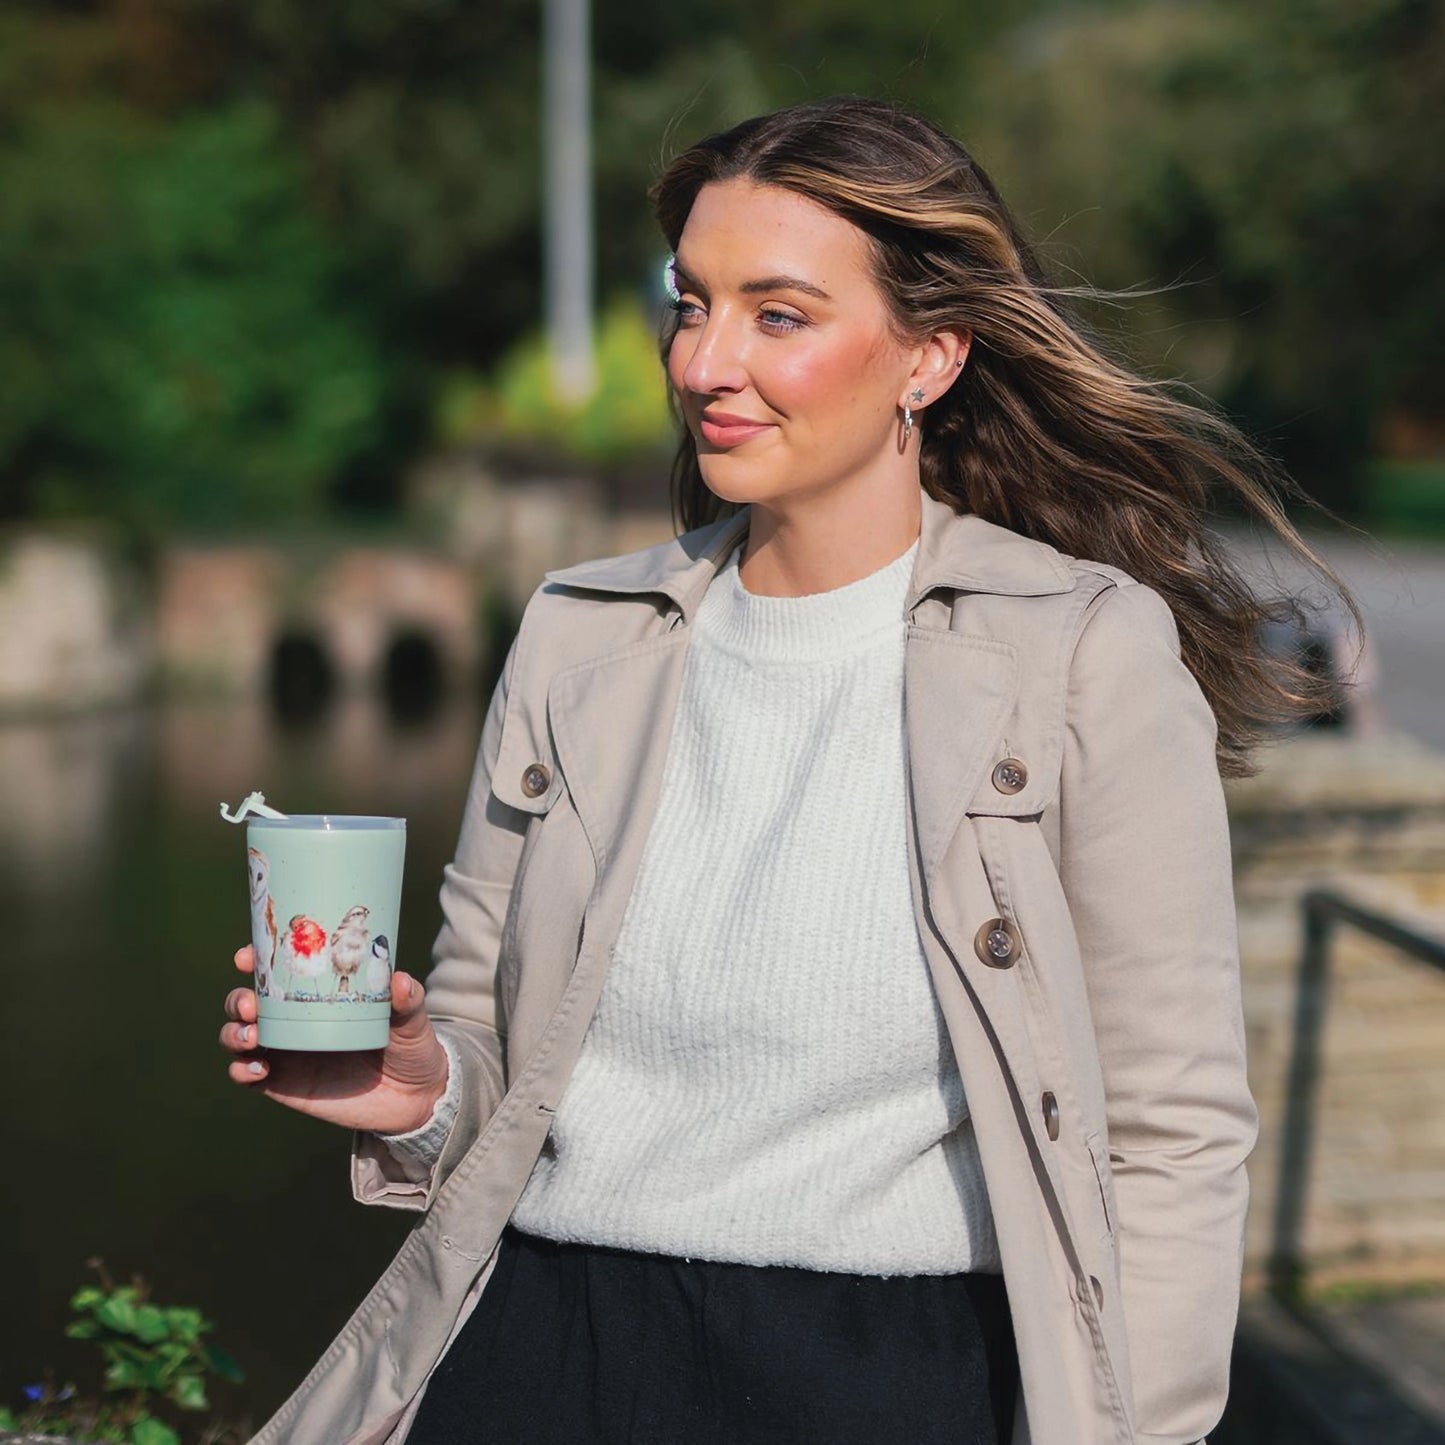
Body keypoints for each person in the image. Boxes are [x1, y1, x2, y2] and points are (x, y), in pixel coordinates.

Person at [222, 96, 1363, 1445]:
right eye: (690, 304)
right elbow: (485, 1057)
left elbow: (1171, 1134)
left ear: (929, 356)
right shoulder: (579, 637)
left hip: (896, 1378)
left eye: (778, 315)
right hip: (540, 1351)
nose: (705, 362)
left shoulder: (1078, 651)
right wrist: (415, 1090)